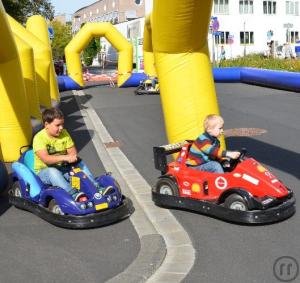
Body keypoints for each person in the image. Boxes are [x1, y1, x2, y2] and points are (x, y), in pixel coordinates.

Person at [33, 108, 95, 201]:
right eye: (57, 125)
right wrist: (65, 157)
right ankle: (73, 194)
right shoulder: (39, 138)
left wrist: (72, 158)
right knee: (53, 172)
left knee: (79, 164)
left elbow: (73, 153)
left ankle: (94, 187)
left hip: (64, 168)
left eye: (62, 124)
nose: (61, 128)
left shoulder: (64, 134)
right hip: (45, 171)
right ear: (46, 125)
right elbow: (46, 159)